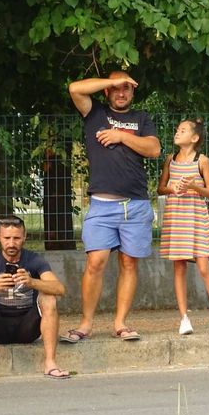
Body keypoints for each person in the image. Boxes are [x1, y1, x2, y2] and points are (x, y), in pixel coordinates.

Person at [63, 71, 161, 342]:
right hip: (102, 206)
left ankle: (121, 324)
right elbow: (74, 88)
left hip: (136, 205)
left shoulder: (141, 119)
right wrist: (112, 81)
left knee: (129, 263)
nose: (121, 93)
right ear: (107, 91)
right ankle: (85, 324)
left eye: (127, 89)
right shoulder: (95, 113)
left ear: (133, 92)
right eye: (116, 89)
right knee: (96, 262)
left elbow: (153, 149)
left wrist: (121, 136)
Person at [0, 215, 70, 380]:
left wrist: (32, 282)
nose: (11, 243)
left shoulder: (34, 260)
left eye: (16, 238)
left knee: (49, 298)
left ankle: (50, 364)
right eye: (7, 238)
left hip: (28, 327)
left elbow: (59, 289)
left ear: (24, 237)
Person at [157, 118, 209, 336]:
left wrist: (193, 185)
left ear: (194, 137)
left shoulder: (202, 161)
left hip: (196, 216)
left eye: (182, 130)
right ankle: (184, 318)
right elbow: (160, 188)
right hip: (176, 216)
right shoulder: (170, 159)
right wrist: (172, 188)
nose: (177, 132)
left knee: (203, 266)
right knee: (179, 267)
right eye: (177, 129)